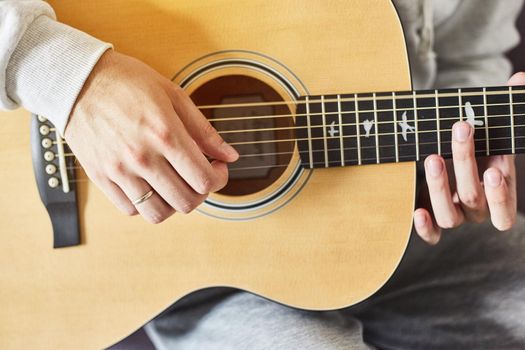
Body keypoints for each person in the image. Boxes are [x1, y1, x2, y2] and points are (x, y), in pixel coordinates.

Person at [1, 0, 524, 348]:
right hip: (192, 275)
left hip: (375, 228)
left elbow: (468, 59)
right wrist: (72, 82)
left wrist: (470, 155)